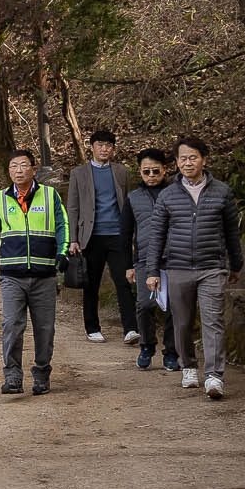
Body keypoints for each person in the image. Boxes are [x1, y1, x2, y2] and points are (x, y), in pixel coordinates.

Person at [136, 134, 244, 400]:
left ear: (204, 160)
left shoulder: (222, 192)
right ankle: (189, 367)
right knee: (182, 322)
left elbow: (232, 232)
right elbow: (157, 235)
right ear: (176, 163)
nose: (187, 162)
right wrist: (152, 272)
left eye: (192, 157)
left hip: (212, 266)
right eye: (182, 158)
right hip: (178, 267)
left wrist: (235, 264)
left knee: (213, 322)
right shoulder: (168, 195)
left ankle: (215, 376)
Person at [0, 148, 72, 396]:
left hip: (44, 275)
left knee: (44, 328)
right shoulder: (0, 199)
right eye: (14, 166)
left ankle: (41, 373)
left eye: (23, 165)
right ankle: (13, 376)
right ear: (9, 171)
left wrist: (62, 252)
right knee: (12, 326)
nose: (18, 170)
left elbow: (62, 225)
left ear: (33, 169)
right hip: (12, 276)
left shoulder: (50, 196)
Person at [66, 128, 139, 347]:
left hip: (118, 235)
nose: (104, 149)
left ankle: (131, 328)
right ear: (92, 147)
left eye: (108, 145)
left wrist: (132, 236)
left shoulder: (121, 172)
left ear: (113, 149)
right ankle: (92, 327)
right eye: (100, 145)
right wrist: (73, 239)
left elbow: (129, 204)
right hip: (91, 236)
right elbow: (73, 207)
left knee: (123, 281)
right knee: (92, 283)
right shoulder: (79, 173)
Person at [125, 149, 180, 372]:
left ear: (164, 170)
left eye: (155, 171)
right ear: (140, 171)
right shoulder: (133, 197)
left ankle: (171, 352)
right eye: (145, 171)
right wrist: (128, 265)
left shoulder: (176, 194)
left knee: (175, 307)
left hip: (175, 258)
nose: (150, 175)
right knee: (145, 304)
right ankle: (147, 345)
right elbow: (125, 232)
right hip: (144, 260)